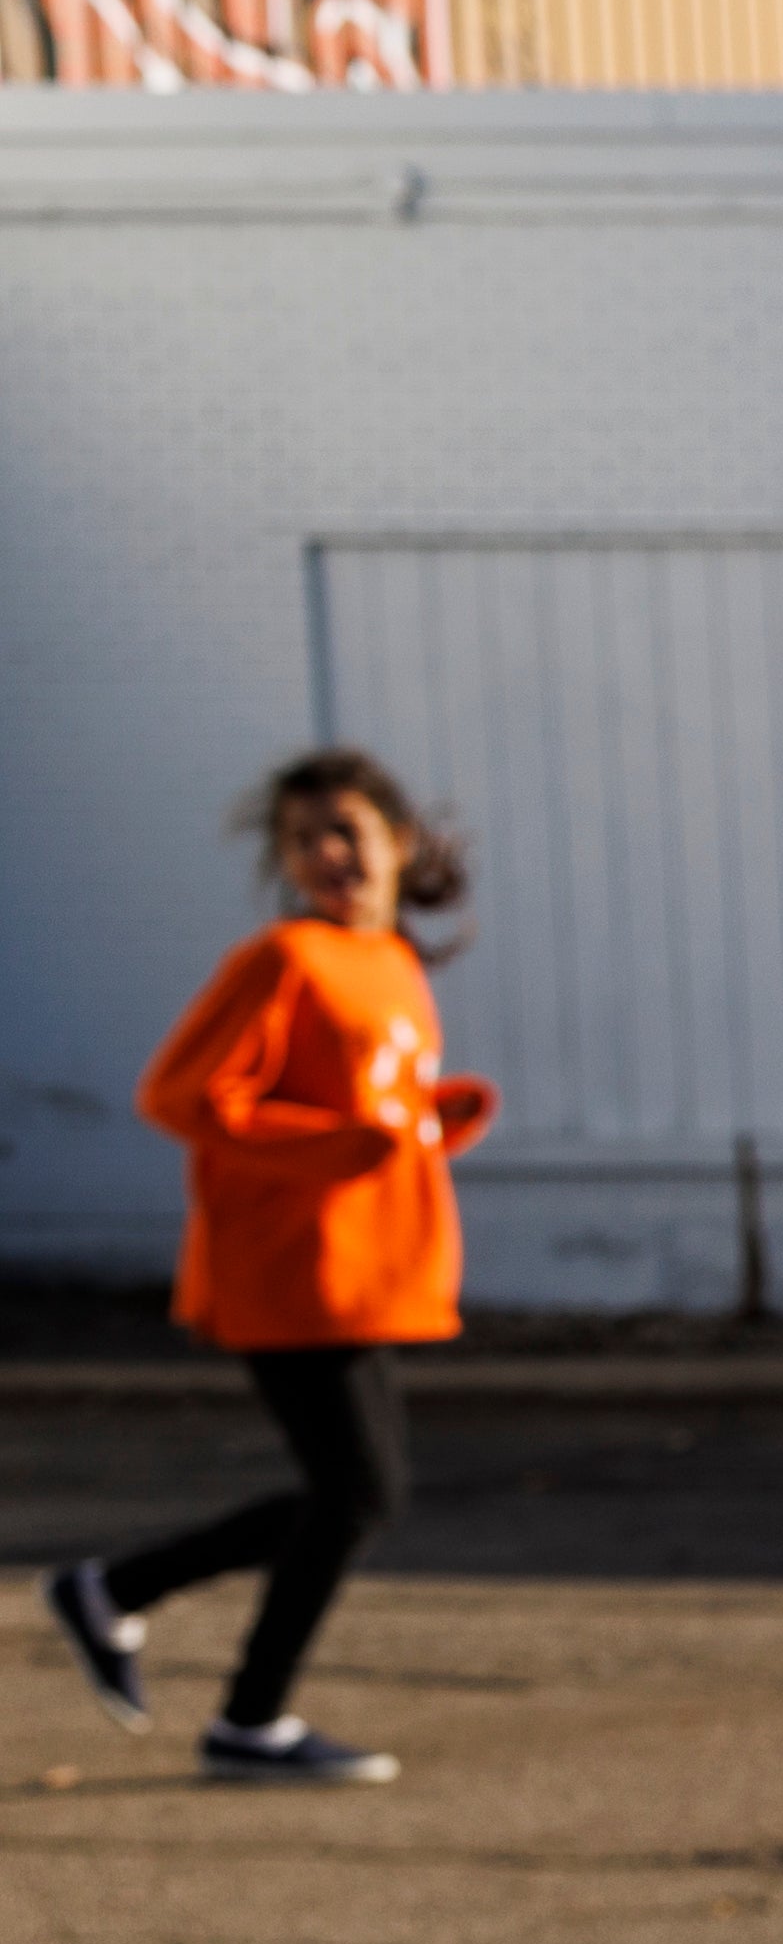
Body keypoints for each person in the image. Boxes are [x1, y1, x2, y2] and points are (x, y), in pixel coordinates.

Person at [42, 750, 496, 1786]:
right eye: (303, 840)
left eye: (346, 830)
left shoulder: (393, 964)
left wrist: (431, 1119)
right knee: (359, 1494)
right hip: (290, 1268)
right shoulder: (284, 959)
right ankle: (235, 1703)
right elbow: (182, 1097)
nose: (328, 854)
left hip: (368, 1264)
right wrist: (340, 1143)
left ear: (400, 841)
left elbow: (363, 1108)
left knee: (358, 1495)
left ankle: (125, 1601)